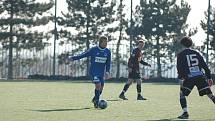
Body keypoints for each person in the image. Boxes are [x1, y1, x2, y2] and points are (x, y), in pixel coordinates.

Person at [177, 36, 215, 119]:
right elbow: (205, 66)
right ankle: (185, 113)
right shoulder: (196, 53)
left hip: (189, 78)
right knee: (210, 95)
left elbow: (180, 68)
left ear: (182, 44)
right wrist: (209, 78)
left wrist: (181, 78)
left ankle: (185, 113)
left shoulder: (181, 54)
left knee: (182, 94)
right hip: (200, 77)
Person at [68, 36, 111, 108]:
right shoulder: (94, 50)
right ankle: (97, 102)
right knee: (98, 85)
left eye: (107, 42)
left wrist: (107, 71)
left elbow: (108, 62)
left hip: (101, 73)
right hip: (94, 72)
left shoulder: (108, 52)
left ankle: (95, 99)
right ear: (100, 42)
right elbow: (83, 54)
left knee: (101, 88)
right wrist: (73, 58)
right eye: (105, 42)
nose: (106, 44)